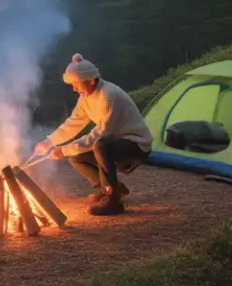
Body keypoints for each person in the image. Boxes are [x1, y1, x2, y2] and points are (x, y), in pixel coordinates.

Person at [33, 53, 153, 216]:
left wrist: (64, 150)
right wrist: (49, 142)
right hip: (114, 142)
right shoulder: (86, 97)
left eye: (77, 84)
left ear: (90, 80)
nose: (74, 89)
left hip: (136, 145)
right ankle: (111, 188)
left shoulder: (108, 95)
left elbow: (100, 133)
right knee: (76, 157)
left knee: (101, 144)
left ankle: (113, 201)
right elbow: (73, 123)